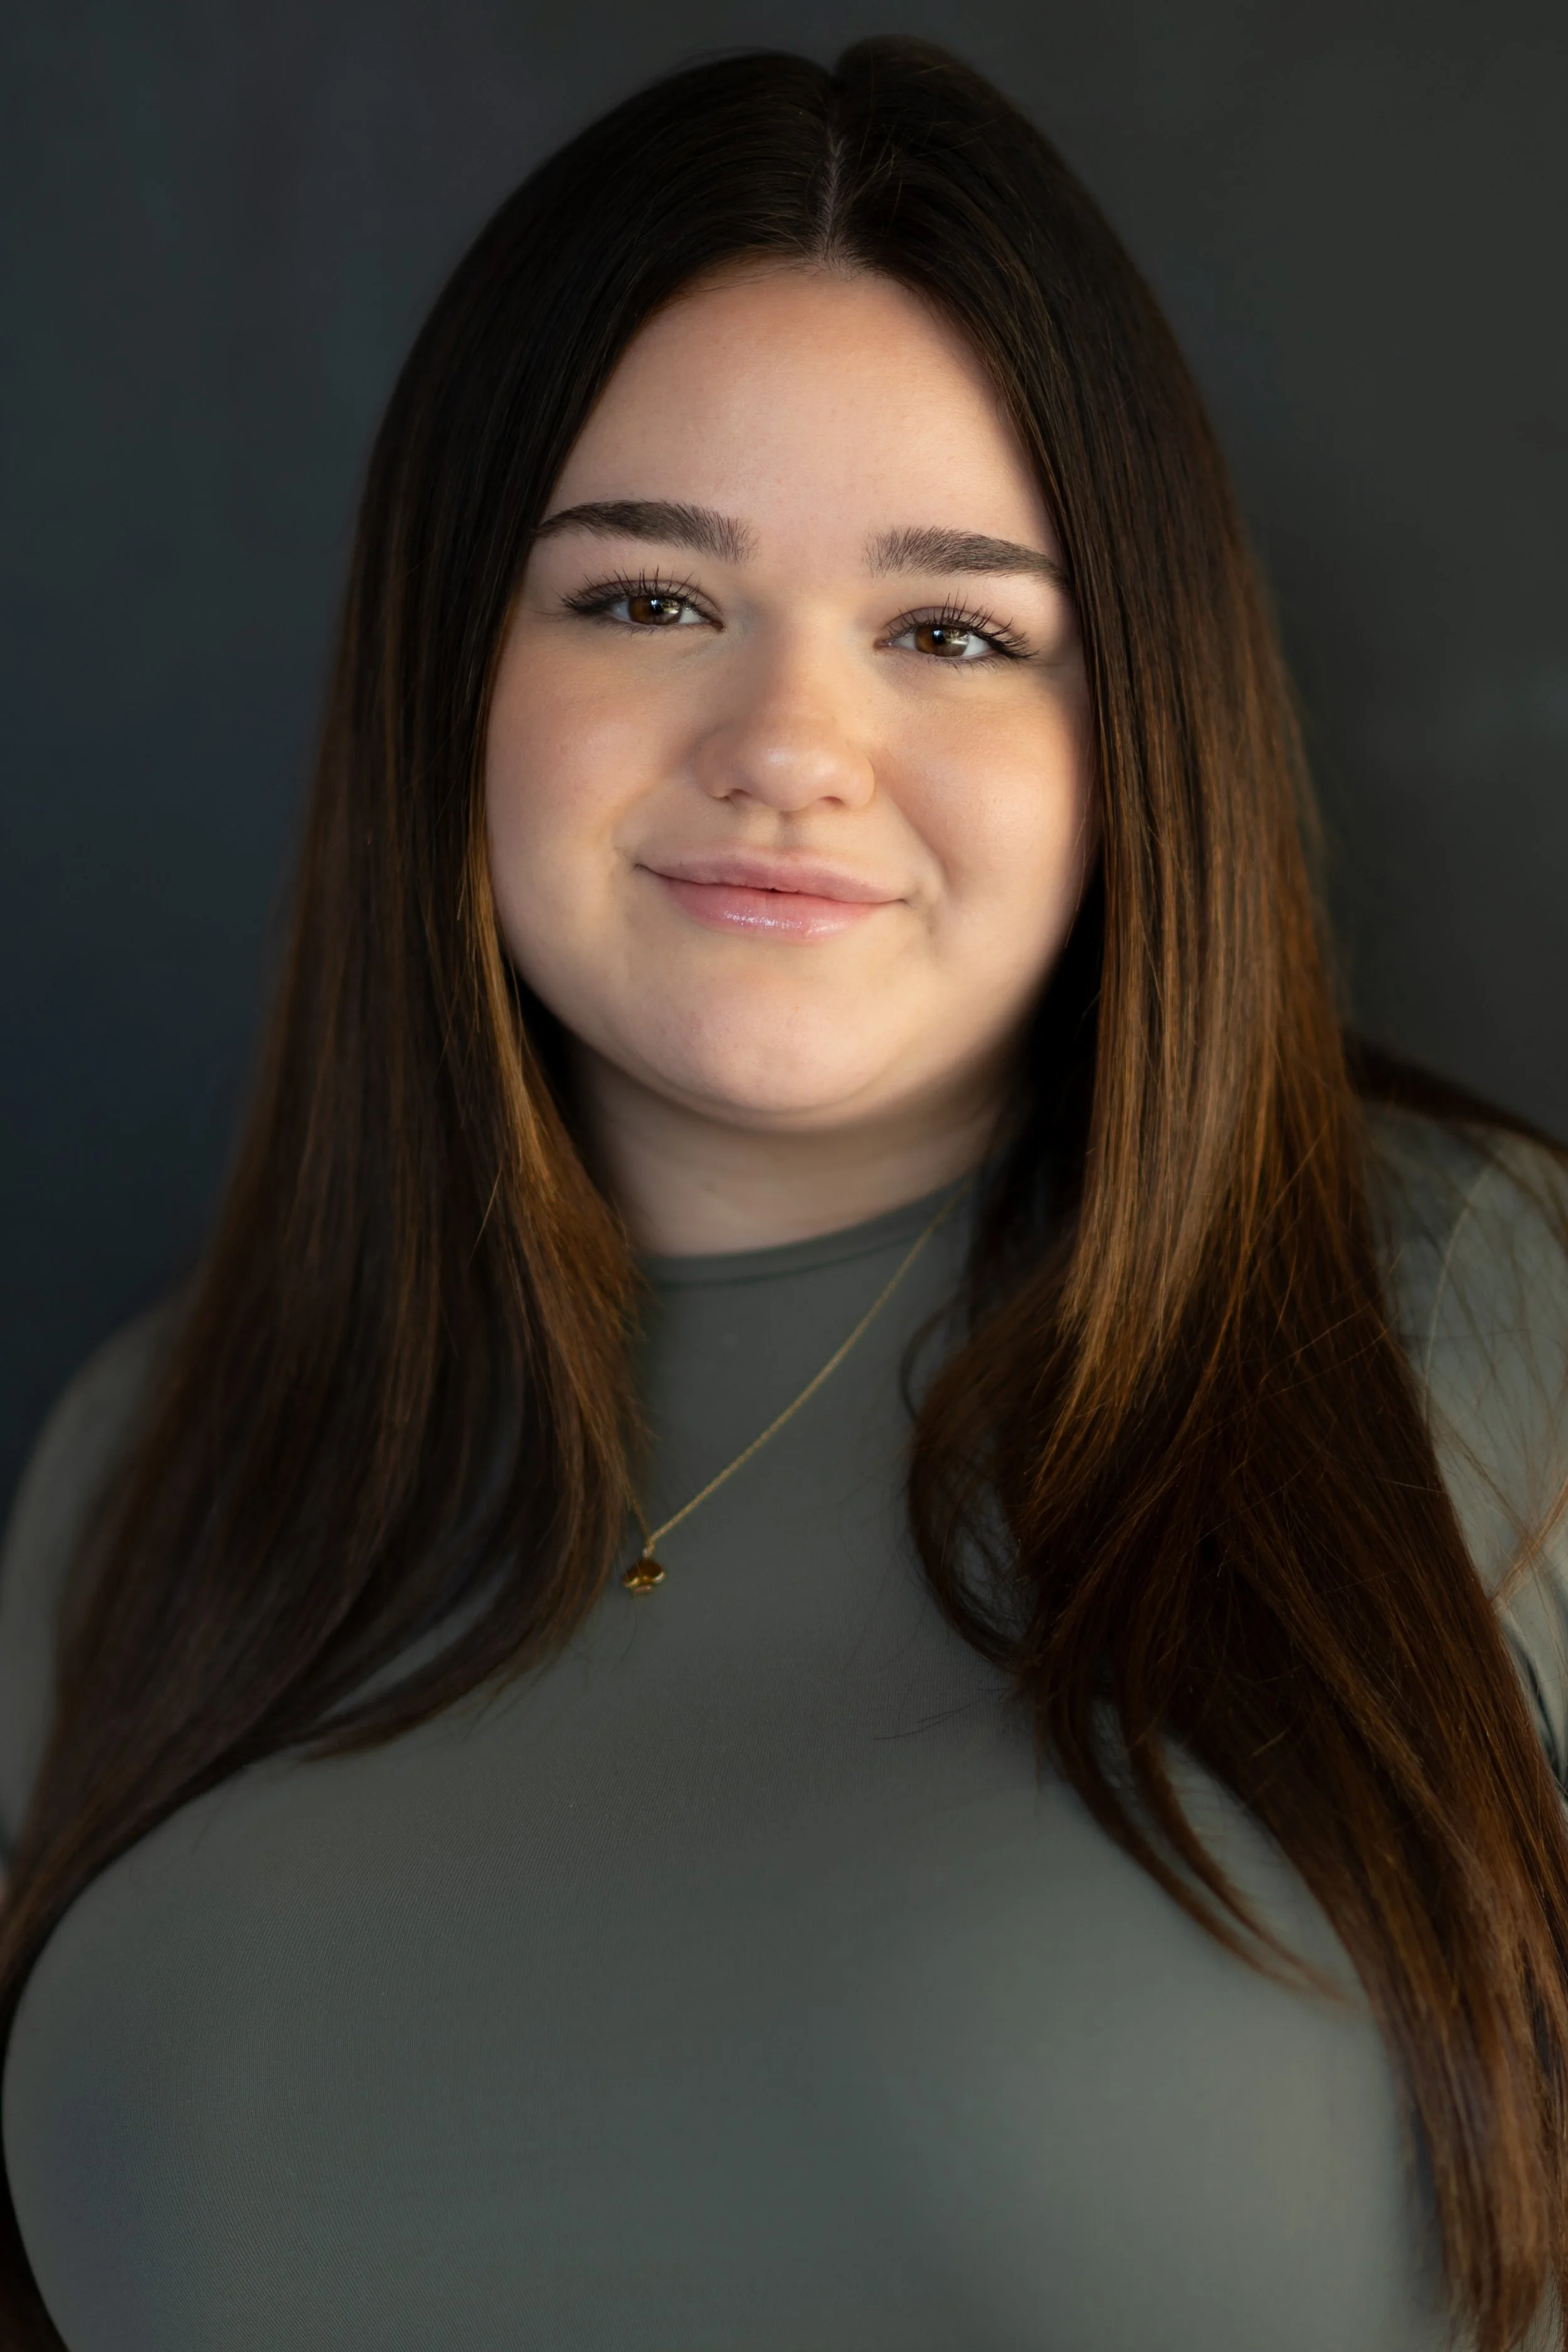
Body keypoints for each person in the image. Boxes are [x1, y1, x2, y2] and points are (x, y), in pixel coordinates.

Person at [1, 36, 1566, 2352]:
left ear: (1133, 730)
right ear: (452, 670)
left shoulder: (1472, 1324)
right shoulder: (163, 1453)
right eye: (644, 598)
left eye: (951, 630)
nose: (788, 751)